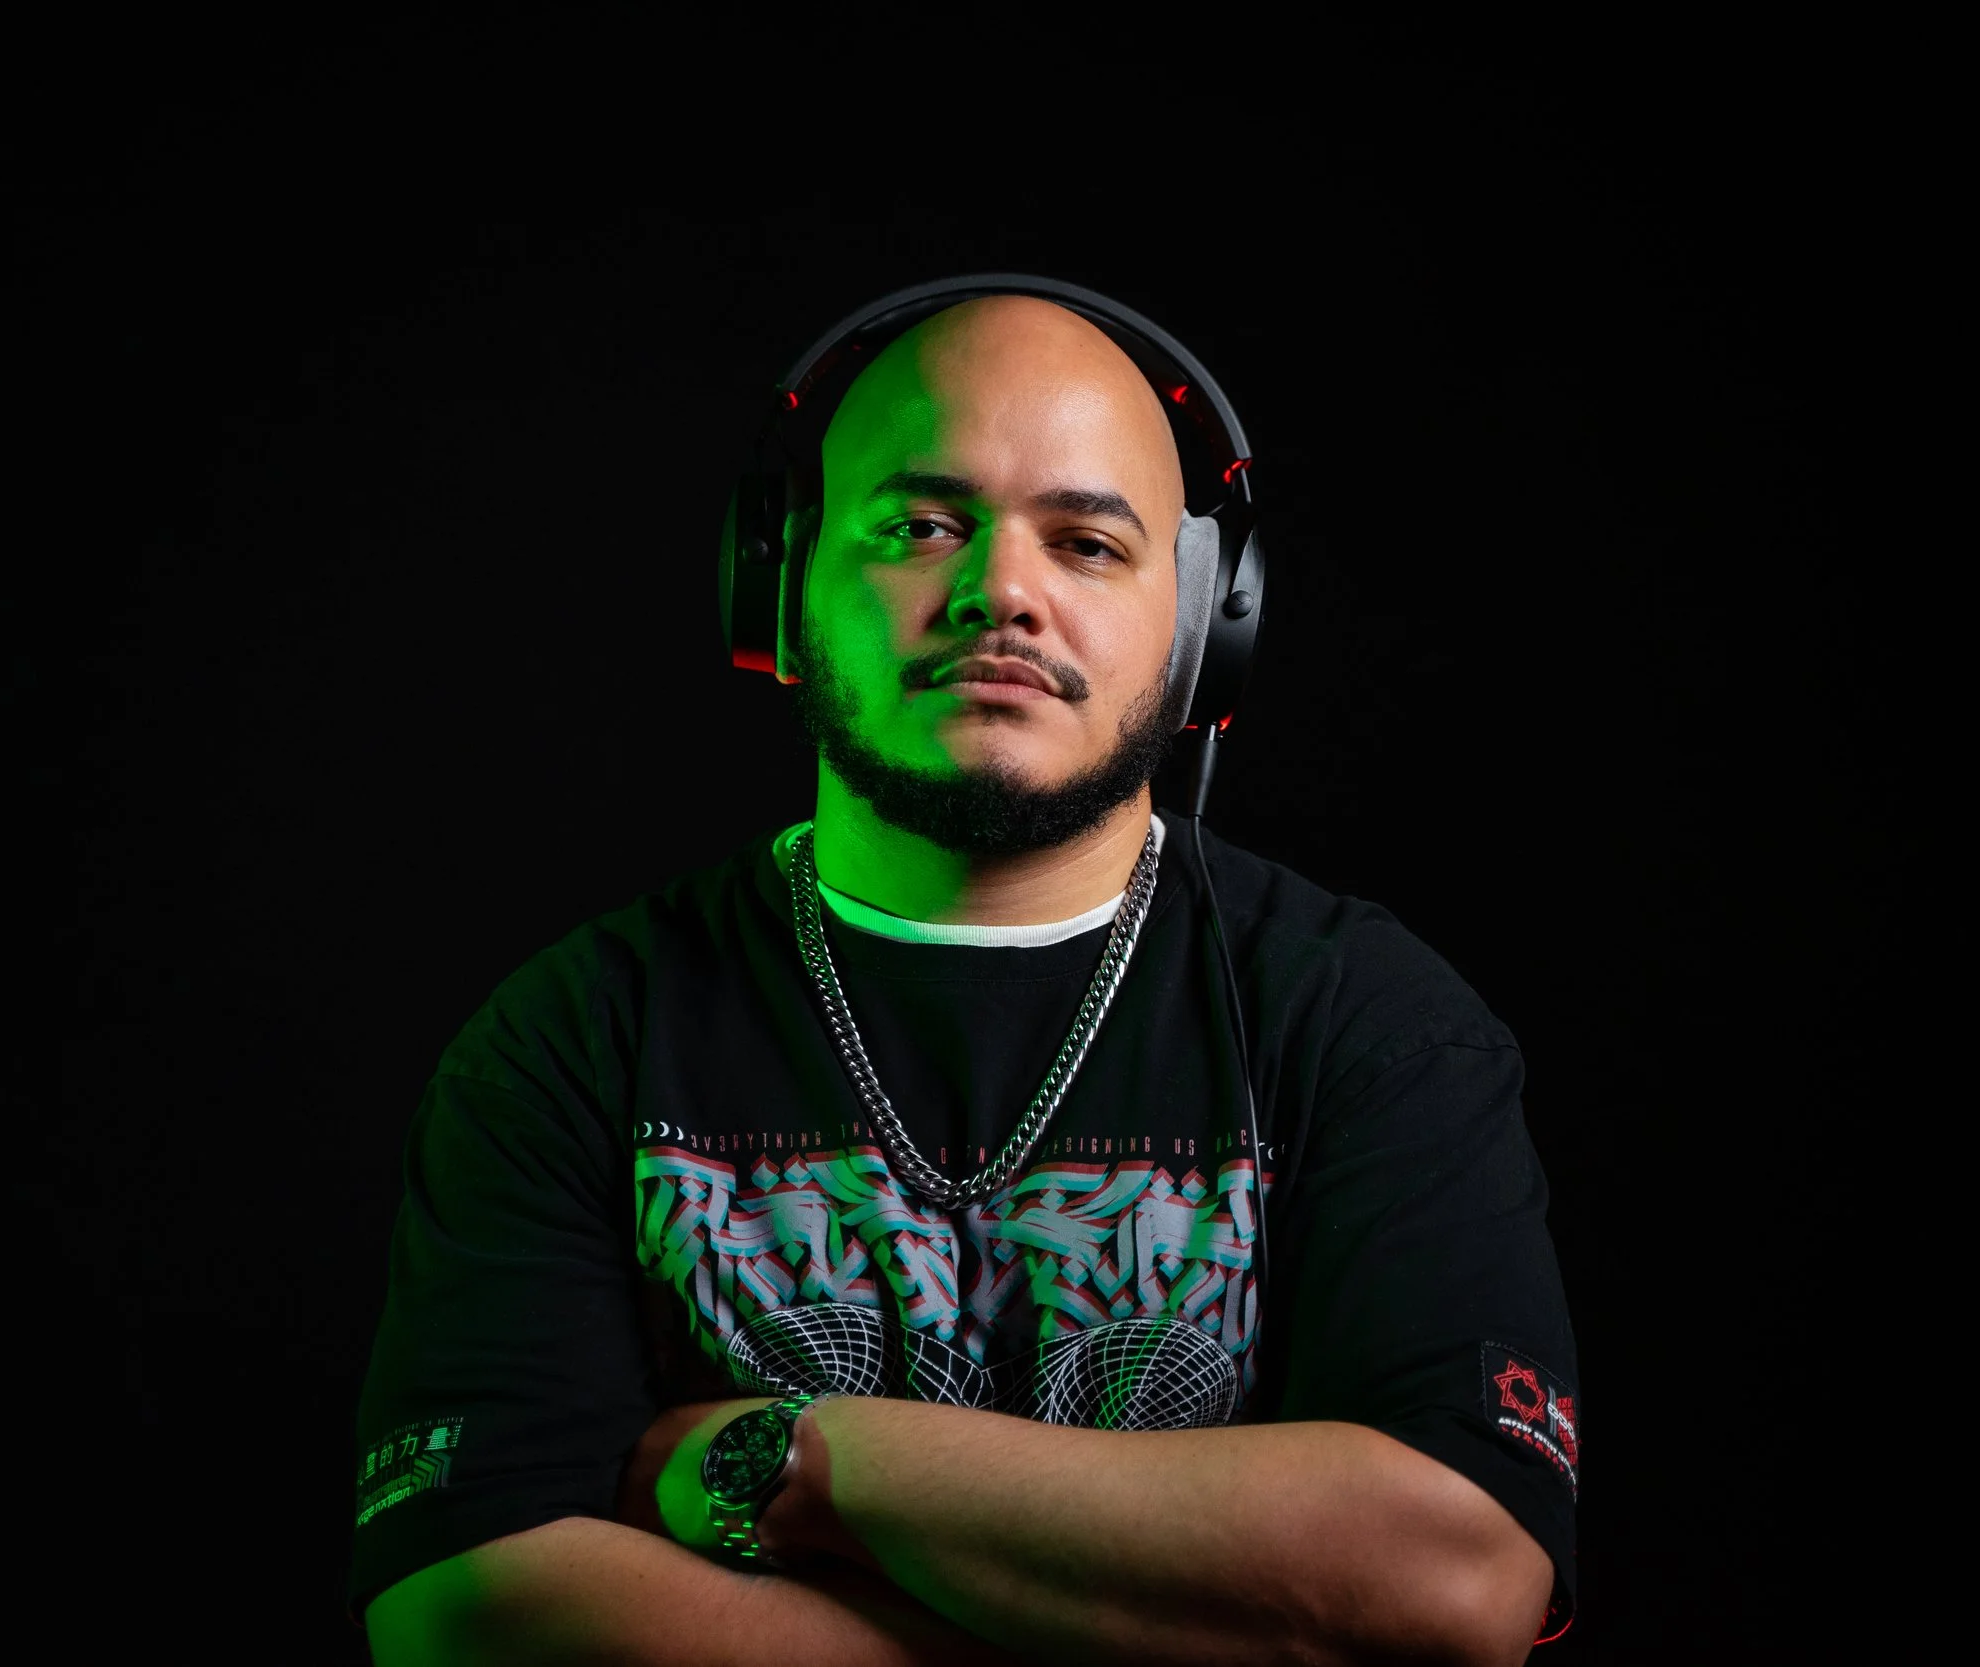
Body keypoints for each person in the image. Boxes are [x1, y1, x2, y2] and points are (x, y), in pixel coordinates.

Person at [352, 287, 1581, 1665]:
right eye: (922, 524)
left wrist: (808, 1459)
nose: (1002, 587)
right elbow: (463, 1613)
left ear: (1200, 629)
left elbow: (1459, 1580)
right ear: (778, 583)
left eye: (1088, 540)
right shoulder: (573, 1038)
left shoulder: (1369, 1024)